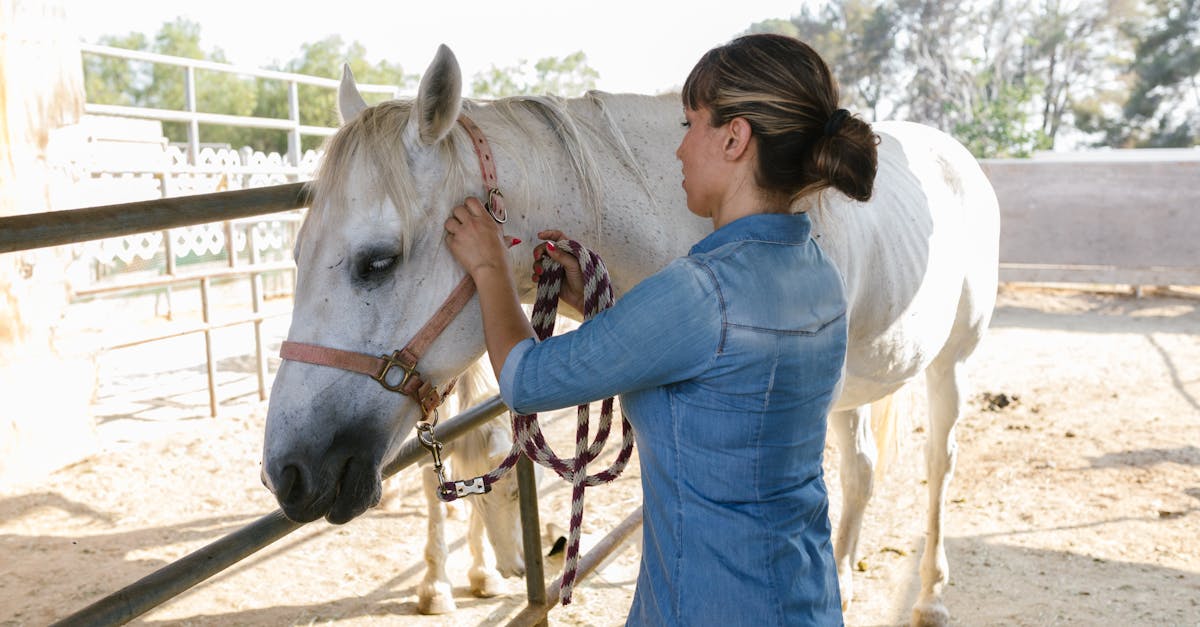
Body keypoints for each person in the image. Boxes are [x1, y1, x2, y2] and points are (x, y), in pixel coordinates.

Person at [443, 33, 878, 626]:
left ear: (735, 137)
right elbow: (719, 380)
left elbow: (525, 380)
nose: (679, 151)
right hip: (803, 597)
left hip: (702, 605)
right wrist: (609, 316)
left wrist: (490, 264)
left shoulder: (698, 292)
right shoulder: (817, 271)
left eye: (690, 125)